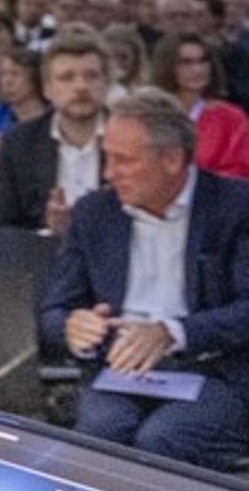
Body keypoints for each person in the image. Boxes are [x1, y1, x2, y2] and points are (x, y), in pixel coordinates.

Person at [43, 90, 249, 468]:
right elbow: (55, 310)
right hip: (118, 369)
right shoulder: (94, 213)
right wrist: (75, 327)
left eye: (124, 161)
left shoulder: (236, 207)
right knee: (103, 431)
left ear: (171, 160)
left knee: (164, 438)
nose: (108, 173)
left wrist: (173, 332)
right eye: (108, 158)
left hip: (214, 369)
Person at [0, 36, 110, 233]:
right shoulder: (19, 143)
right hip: (41, 258)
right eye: (67, 77)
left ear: (106, 84)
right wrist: (49, 233)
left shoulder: (133, 140)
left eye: (91, 76)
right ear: (47, 89)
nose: (81, 87)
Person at [153, 33, 249, 179]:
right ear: (167, 66)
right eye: (186, 62)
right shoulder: (149, 115)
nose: (197, 70)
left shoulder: (231, 119)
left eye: (203, 61)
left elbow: (240, 171)